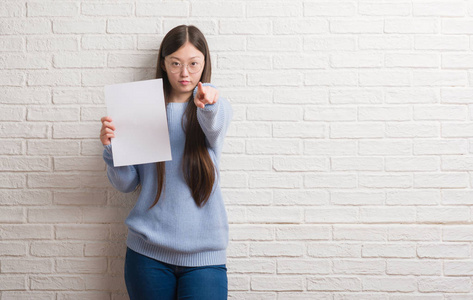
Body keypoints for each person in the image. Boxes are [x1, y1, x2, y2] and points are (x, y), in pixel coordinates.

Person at [99, 25, 233, 300]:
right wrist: (113, 149)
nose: (185, 74)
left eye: (193, 64)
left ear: (205, 64)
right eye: (176, 64)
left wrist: (208, 104)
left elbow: (215, 125)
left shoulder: (215, 107)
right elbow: (126, 184)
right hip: (147, 254)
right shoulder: (141, 109)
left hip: (205, 257)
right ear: (163, 63)